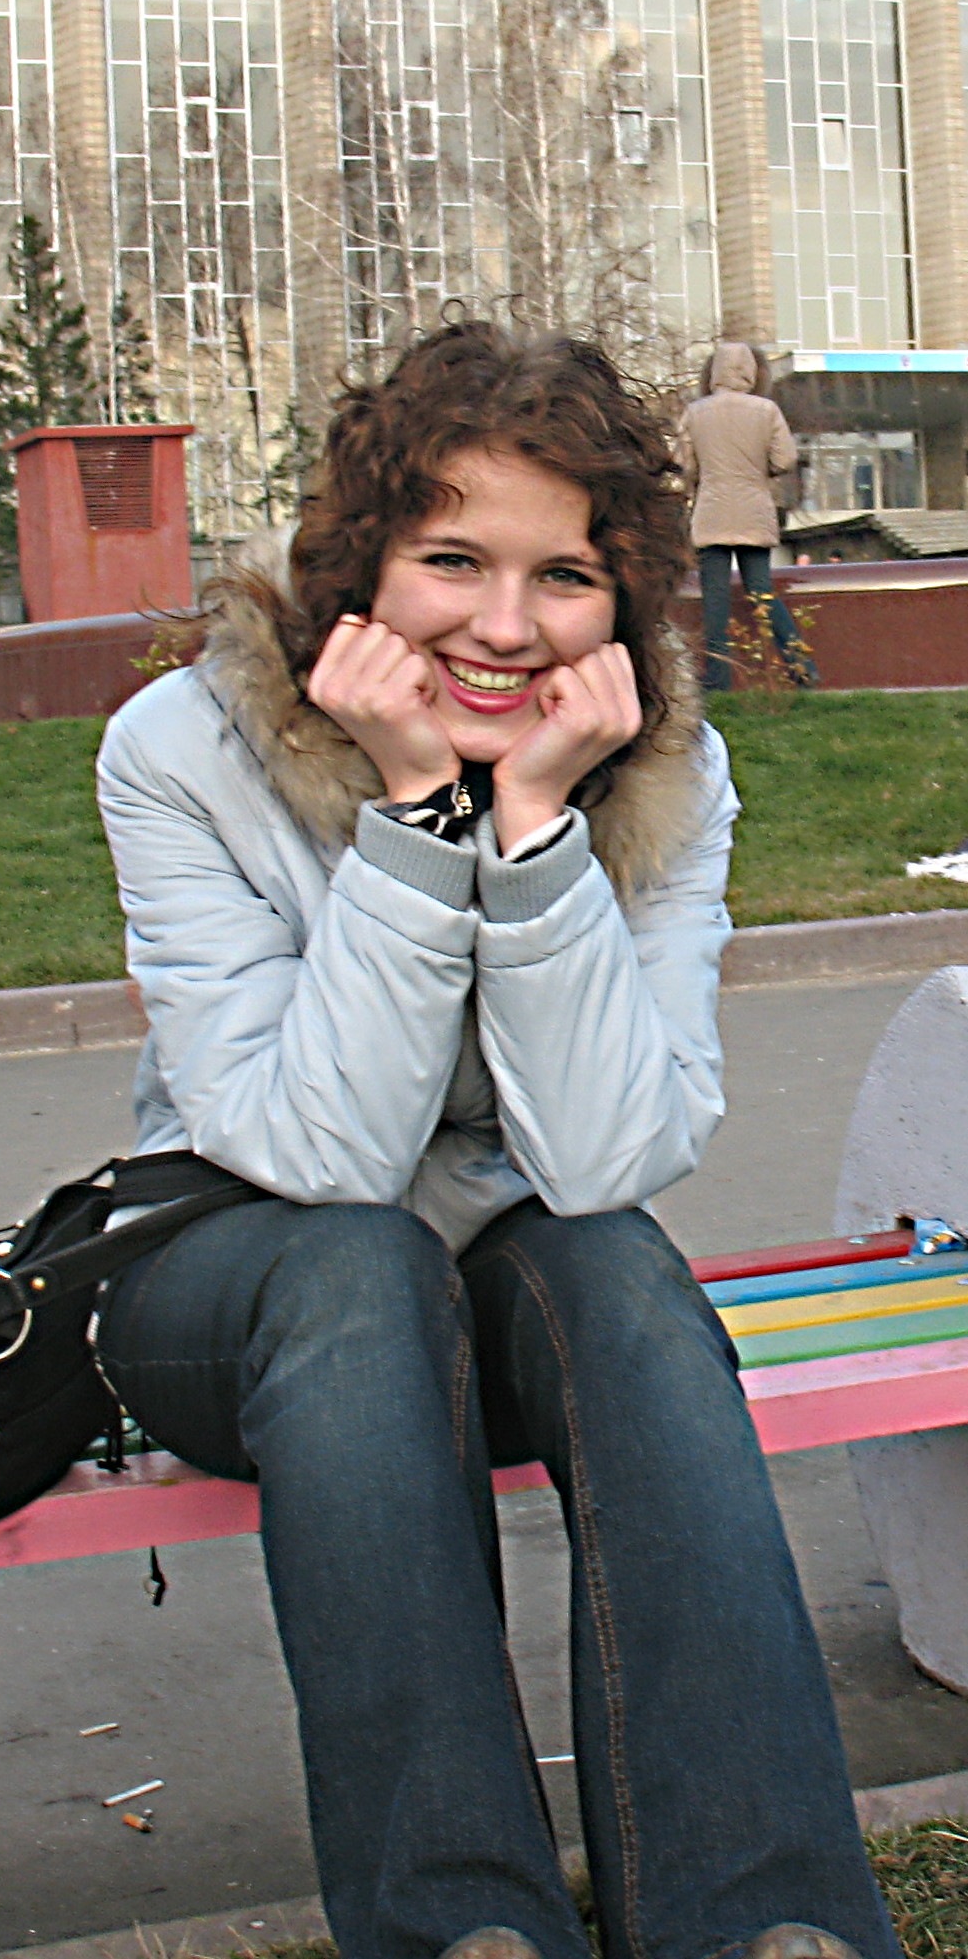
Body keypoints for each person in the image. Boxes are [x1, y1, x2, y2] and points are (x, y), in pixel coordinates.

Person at [94, 320, 898, 1959]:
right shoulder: (181, 749)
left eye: (564, 577)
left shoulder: (663, 769)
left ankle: (758, 1914)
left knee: (621, 1279)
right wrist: (412, 822)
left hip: (507, 1265)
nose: (506, 627)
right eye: (451, 560)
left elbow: (605, 1159)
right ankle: (458, 1926)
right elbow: (318, 1153)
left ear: (624, 598)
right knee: (352, 1265)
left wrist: (530, 838)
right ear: (360, 566)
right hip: (229, 1279)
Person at [679, 344, 815, 691]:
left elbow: (684, 464)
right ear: (750, 372)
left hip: (712, 512)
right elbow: (785, 458)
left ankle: (718, 679)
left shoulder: (696, 412)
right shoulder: (766, 410)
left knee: (715, 600)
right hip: (754, 511)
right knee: (762, 593)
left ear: (714, 371)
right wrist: (759, 470)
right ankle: (802, 668)